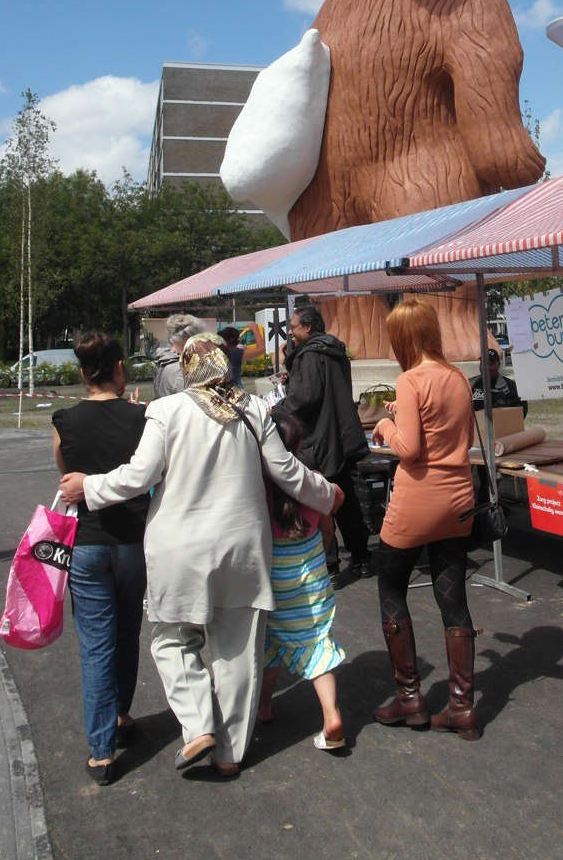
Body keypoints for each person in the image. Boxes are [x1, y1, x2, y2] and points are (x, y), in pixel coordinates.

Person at [60, 333, 341, 778]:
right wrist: (329, 496)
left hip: (179, 550)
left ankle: (197, 726)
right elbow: (287, 471)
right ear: (225, 365)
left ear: (188, 367)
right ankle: (229, 754)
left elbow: (139, 476)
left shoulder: (166, 410)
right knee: (237, 652)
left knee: (172, 640)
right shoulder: (253, 409)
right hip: (242, 551)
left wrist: (88, 487)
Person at [370, 299, 480, 740]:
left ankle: (410, 698)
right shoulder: (457, 377)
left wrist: (384, 425)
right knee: (452, 596)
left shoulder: (410, 379)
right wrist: (407, 417)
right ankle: (462, 707)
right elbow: (455, 434)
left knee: (391, 583)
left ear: (403, 338)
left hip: (417, 501)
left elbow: (410, 450)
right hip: (458, 499)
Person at [51, 333, 148, 786]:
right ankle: (122, 716)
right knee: (127, 631)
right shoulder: (142, 417)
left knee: (95, 644)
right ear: (118, 368)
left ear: (83, 372)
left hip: (86, 543)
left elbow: (65, 473)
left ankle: (101, 751)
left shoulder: (65, 420)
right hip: (133, 542)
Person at [256, 408, 346, 750]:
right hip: (311, 579)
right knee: (316, 643)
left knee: (270, 644)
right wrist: (317, 556)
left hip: (274, 583)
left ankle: (264, 705)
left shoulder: (259, 488)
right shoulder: (313, 480)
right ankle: (331, 714)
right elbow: (327, 530)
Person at [272, 304, 371, 586]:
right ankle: (362, 557)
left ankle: (330, 566)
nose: (289, 332)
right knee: (348, 499)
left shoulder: (310, 354)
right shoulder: (334, 351)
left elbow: (306, 396)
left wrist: (277, 409)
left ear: (308, 328)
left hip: (317, 440)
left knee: (320, 501)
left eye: (293, 326)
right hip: (340, 436)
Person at [152, 313, 207, 398]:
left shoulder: (164, 360)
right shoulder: (181, 368)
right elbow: (190, 403)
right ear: (190, 337)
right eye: (199, 337)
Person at [469, 347, 528, 416]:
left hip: (502, 425)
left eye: (491, 364)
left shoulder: (510, 386)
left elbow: (521, 411)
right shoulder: (470, 385)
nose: (486, 367)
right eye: (483, 363)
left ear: (499, 365)